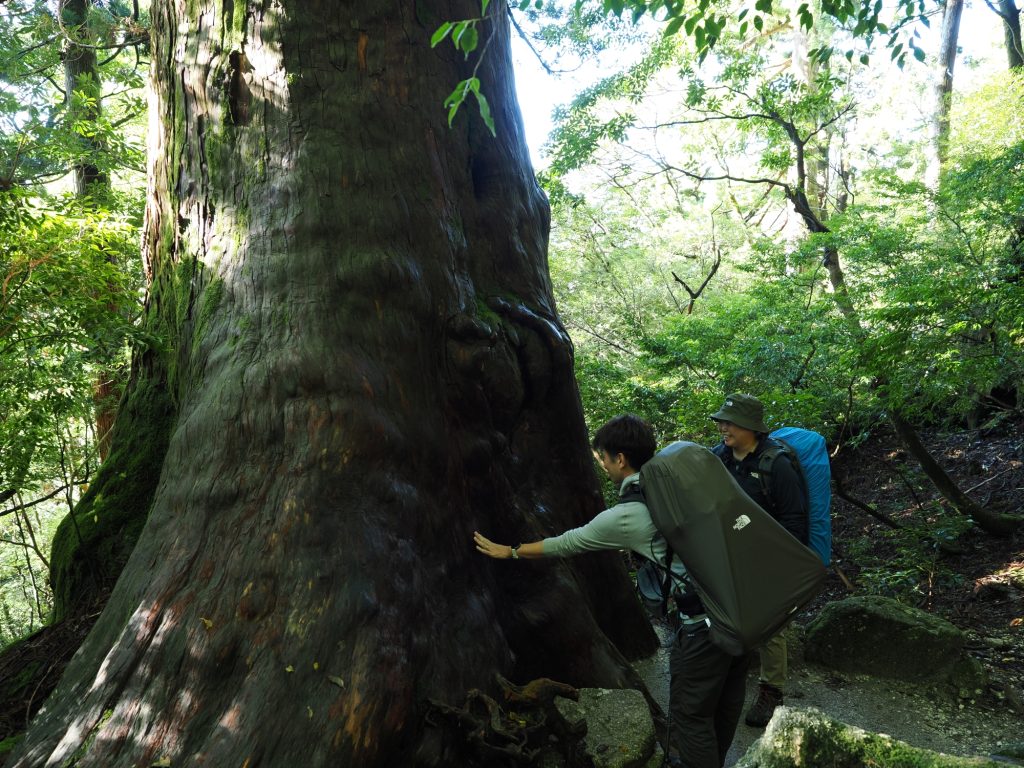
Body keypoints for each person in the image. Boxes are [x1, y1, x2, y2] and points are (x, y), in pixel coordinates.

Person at [474, 414, 749, 768]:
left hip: (702, 629)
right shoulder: (679, 485)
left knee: (691, 716)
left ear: (620, 458)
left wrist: (510, 551)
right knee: (726, 701)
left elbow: (566, 543)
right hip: (739, 609)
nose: (603, 466)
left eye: (603, 458)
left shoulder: (628, 514)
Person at [708, 393, 808, 728]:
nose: (722, 427)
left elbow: (795, 519)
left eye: (729, 422)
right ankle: (722, 680)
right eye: (721, 421)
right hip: (730, 552)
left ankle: (771, 691)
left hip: (769, 556)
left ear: (751, 427)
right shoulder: (719, 457)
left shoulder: (775, 464)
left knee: (770, 627)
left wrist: (785, 567)